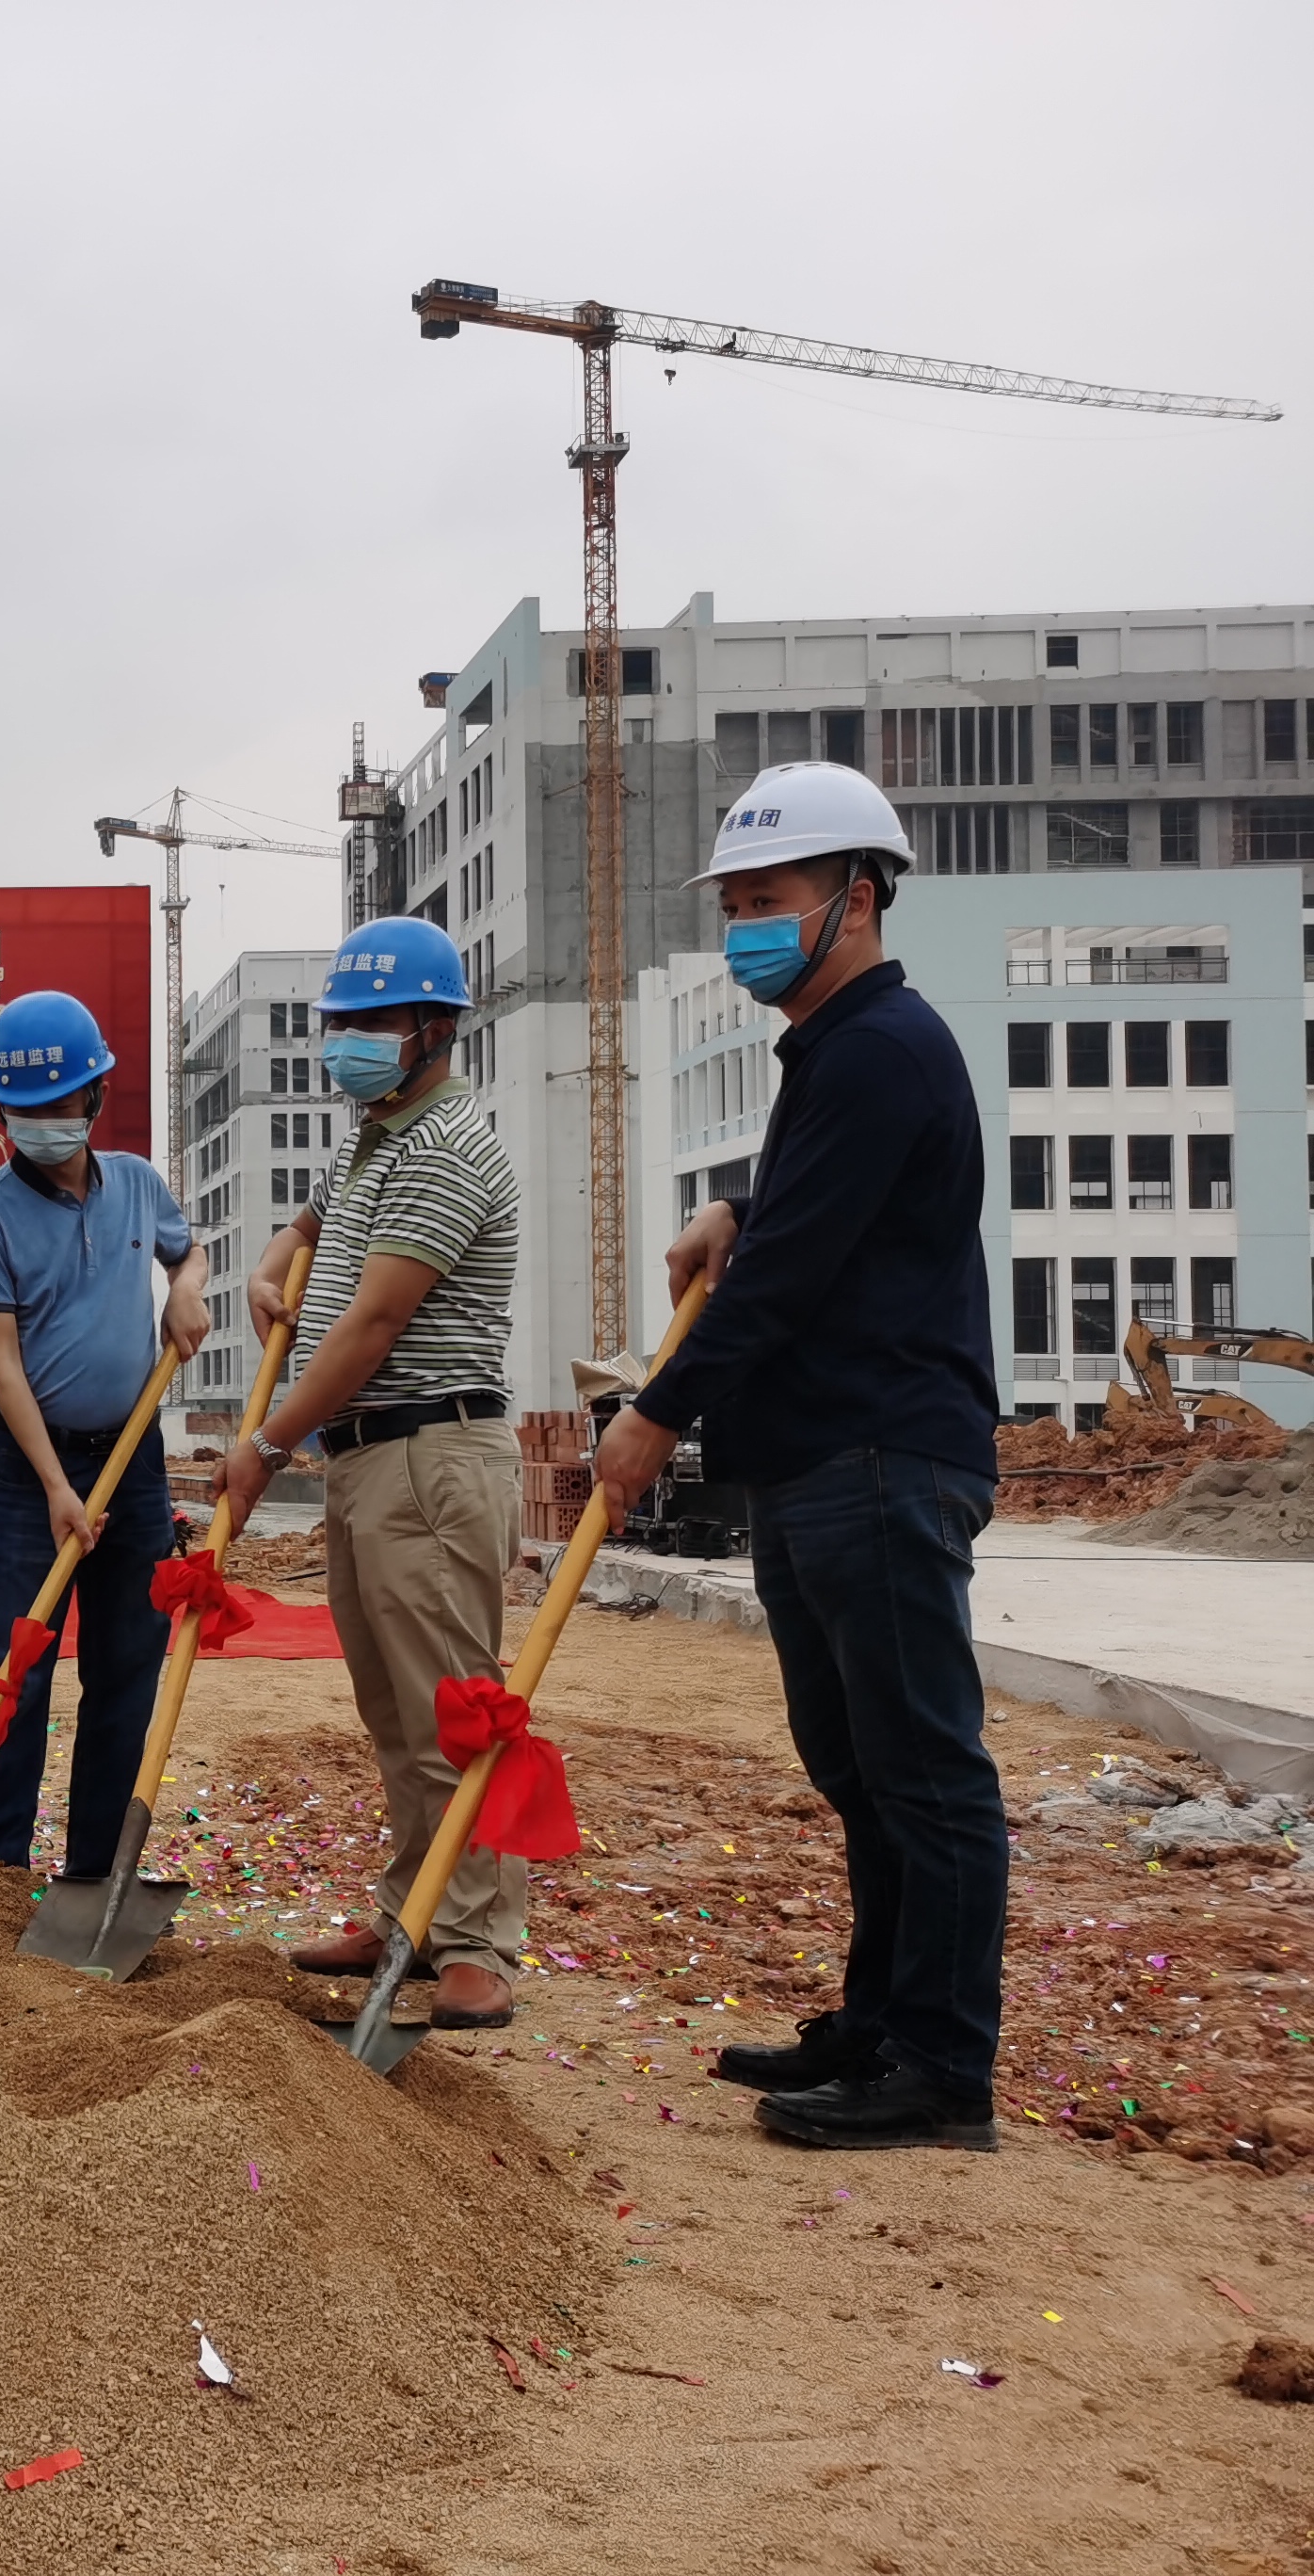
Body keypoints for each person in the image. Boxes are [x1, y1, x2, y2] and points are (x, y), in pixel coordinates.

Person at [597, 765, 1002, 2153]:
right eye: (735, 906)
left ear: (860, 897)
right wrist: (736, 1204)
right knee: (860, 1771)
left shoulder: (882, 1049)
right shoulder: (837, 1056)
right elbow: (814, 1216)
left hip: (879, 1453)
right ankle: (878, 2025)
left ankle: (941, 2067)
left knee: (923, 1772)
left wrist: (656, 1410)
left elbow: (790, 1280)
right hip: (820, 1458)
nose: (744, 930)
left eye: (768, 901)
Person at [224, 918, 524, 2029]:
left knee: (452, 1706)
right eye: (340, 1022)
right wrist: (269, 1261)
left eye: (374, 1022)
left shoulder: (445, 1147)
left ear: (435, 1028)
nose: (348, 1042)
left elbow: (372, 1325)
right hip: (368, 1459)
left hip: (429, 1451)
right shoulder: (376, 1138)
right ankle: (414, 1914)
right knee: (395, 1712)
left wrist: (266, 1448)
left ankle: (479, 1944)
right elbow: (316, 1226)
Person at [0, 990, 211, 1877]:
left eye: (60, 1102)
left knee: (127, 1667)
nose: (44, 1121)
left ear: (95, 1097)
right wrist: (57, 1485)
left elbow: (189, 1249)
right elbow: (3, 1367)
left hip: (134, 1462)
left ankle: (95, 1872)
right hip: (33, 1471)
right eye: (25, 1107)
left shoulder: (136, 1182)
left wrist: (184, 1288)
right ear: (0, 1109)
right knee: (11, 1666)